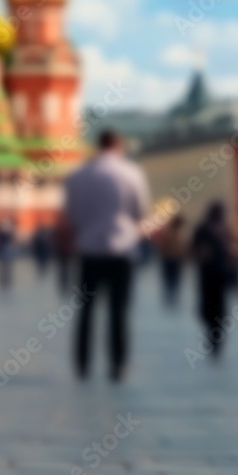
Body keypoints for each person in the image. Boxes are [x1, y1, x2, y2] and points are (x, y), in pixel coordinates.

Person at [64, 130, 150, 381]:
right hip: (121, 252)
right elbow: (140, 211)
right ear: (119, 146)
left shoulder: (77, 176)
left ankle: (82, 365)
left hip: (89, 252)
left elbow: (72, 215)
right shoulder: (132, 173)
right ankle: (118, 365)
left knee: (86, 312)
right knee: (119, 312)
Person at [192, 201, 237, 357]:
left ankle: (217, 341)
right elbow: (194, 247)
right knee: (207, 309)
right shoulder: (203, 229)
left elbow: (231, 249)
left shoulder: (224, 229)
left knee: (220, 310)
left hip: (220, 275)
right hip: (207, 274)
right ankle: (212, 336)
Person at [156, 215, 187, 308]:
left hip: (176, 260)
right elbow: (162, 247)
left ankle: (173, 296)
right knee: (169, 279)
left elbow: (182, 248)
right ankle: (169, 296)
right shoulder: (169, 233)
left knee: (175, 280)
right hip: (169, 259)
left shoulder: (180, 233)